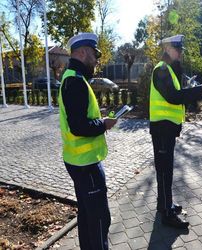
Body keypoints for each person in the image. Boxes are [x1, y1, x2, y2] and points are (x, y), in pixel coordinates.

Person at [58, 33, 117, 250]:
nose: (96, 60)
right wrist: (103, 125)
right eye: (94, 54)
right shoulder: (75, 81)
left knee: (86, 216)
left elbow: (78, 119)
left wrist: (97, 119)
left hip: (79, 161)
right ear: (82, 52)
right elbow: (79, 126)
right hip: (86, 164)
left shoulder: (73, 77)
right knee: (99, 219)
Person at [149, 34, 202, 229]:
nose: (181, 54)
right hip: (162, 128)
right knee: (164, 171)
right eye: (178, 50)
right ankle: (167, 213)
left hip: (166, 128)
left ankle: (164, 204)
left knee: (165, 169)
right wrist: (199, 90)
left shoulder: (167, 69)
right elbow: (173, 97)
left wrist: (195, 90)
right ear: (168, 49)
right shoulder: (161, 70)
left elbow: (176, 95)